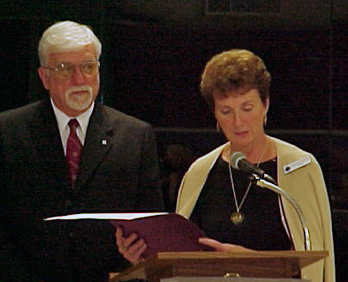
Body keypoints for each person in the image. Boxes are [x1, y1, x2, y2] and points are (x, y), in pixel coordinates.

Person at [116, 49, 335, 282]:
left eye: (247, 108)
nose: (238, 121)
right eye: (226, 111)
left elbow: (314, 262)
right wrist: (143, 257)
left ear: (266, 105)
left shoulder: (300, 167)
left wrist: (250, 263)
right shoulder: (199, 172)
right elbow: (182, 260)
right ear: (215, 114)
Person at [0, 20, 164, 282]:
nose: (79, 79)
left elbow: (150, 229)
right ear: (44, 77)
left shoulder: (135, 135)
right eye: (65, 69)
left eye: (88, 67)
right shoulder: (8, 131)